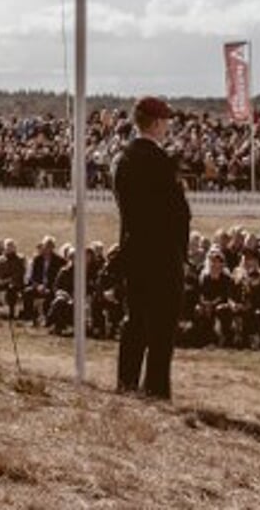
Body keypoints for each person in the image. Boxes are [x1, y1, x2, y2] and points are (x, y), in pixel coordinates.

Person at [113, 95, 190, 400]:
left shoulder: (122, 158)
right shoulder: (162, 162)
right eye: (166, 121)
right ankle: (156, 390)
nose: (167, 126)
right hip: (162, 255)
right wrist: (181, 255)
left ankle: (127, 383)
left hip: (134, 252)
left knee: (134, 322)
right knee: (161, 329)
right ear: (157, 123)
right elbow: (178, 214)